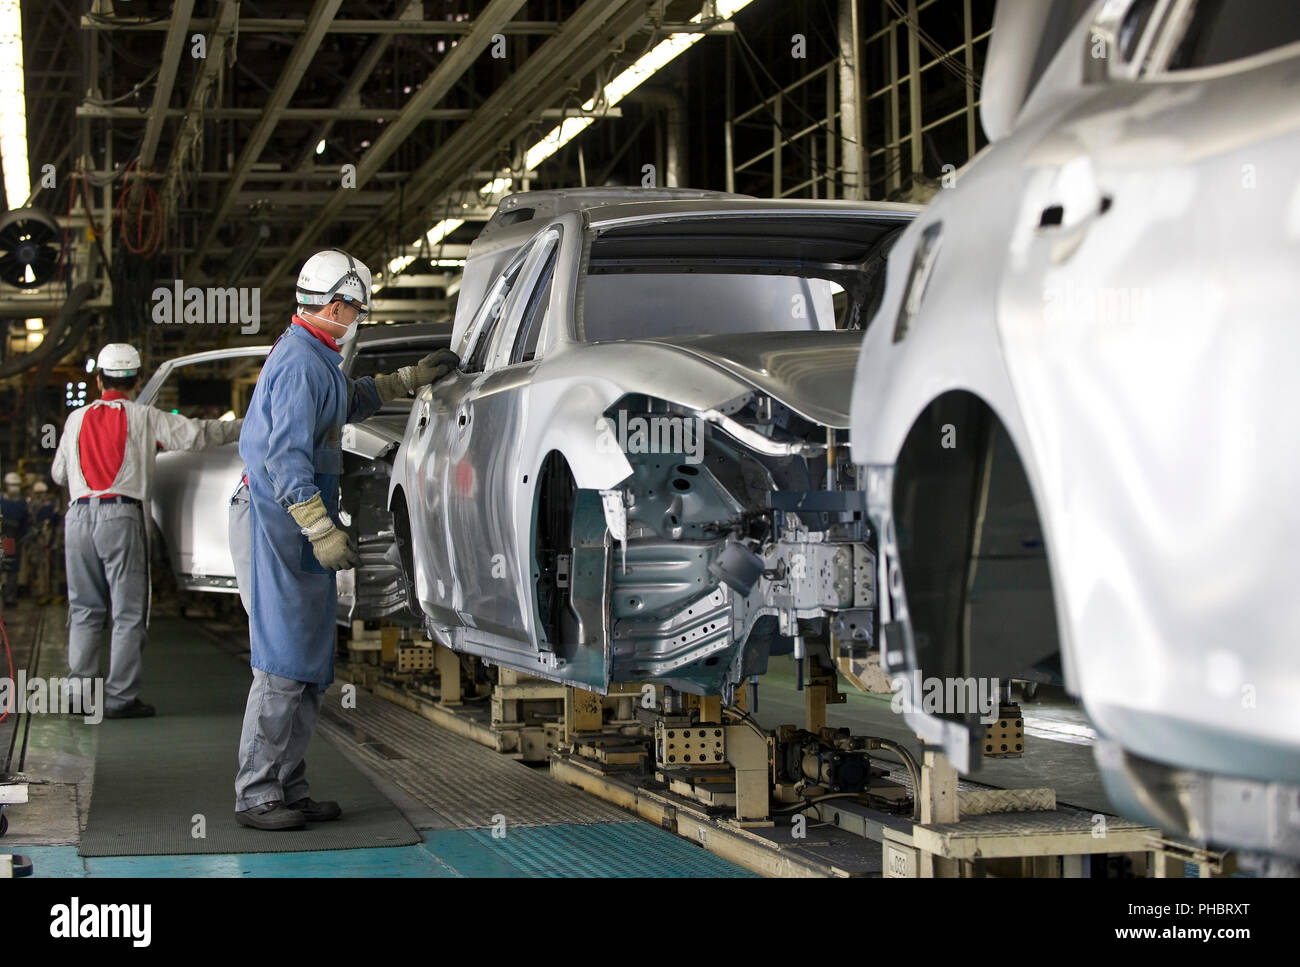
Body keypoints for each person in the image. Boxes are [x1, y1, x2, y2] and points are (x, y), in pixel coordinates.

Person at [234, 248, 457, 831]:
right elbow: (283, 458)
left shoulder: (320, 357)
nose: (358, 316)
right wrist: (318, 526)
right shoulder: (300, 364)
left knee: (307, 659)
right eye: (356, 307)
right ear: (334, 304)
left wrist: (405, 380)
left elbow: (347, 403)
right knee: (282, 662)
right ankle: (257, 793)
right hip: (278, 521)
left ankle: (287, 784)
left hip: (303, 525)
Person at [50, 343, 243, 719]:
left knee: (85, 609)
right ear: (137, 380)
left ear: (98, 379)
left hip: (77, 519)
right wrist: (246, 424)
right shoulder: (143, 416)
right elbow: (198, 435)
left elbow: (58, 474)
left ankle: (78, 695)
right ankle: (120, 698)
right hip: (120, 517)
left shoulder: (75, 420)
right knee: (127, 613)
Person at [0, 472, 30, 606]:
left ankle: (10, 598)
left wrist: (24, 538)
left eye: (16, 485)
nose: (14, 488)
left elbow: (26, 523)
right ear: (6, 486)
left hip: (15, 541)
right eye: (12, 485)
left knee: (12, 570)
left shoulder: (22, 503)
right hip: (2, 540)